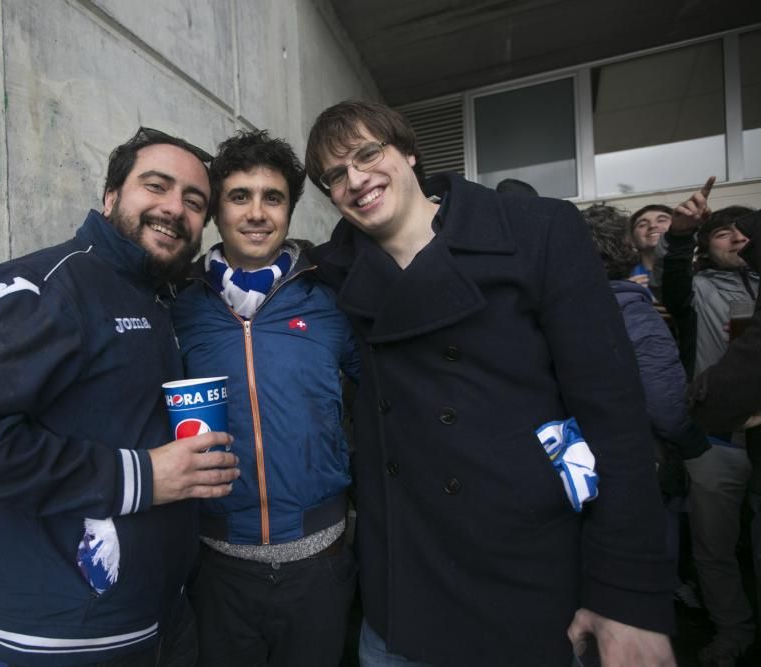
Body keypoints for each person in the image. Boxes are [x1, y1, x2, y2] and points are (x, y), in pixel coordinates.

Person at [303, 99, 675, 667]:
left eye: (367, 154)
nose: (355, 179)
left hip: (525, 591)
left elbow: (615, 422)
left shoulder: (537, 233)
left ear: (408, 152)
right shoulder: (335, 271)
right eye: (334, 175)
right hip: (403, 603)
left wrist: (628, 598)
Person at [0, 127, 241, 667]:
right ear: (111, 196)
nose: (175, 208)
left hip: (163, 624)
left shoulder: (160, 299)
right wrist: (138, 476)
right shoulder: (48, 285)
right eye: (156, 186)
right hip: (58, 647)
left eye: (195, 201)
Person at [171, 129, 361, 666]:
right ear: (215, 211)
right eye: (239, 197)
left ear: (290, 210)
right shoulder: (180, 307)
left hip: (320, 562)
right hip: (216, 566)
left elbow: (381, 399)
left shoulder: (330, 301)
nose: (257, 213)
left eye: (272, 198)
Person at [657, 183, 760, 667]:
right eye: (724, 233)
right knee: (713, 550)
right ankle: (732, 633)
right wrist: (679, 237)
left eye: (745, 233)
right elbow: (673, 279)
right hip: (716, 443)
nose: (737, 240)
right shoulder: (695, 291)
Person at [580, 203, 709, 566]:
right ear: (626, 247)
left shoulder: (557, 309)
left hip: (576, 465)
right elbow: (665, 404)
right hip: (638, 463)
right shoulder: (635, 315)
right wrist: (693, 445)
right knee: (647, 567)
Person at [629, 204, 673, 292]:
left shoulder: (698, 275)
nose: (652, 226)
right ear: (632, 240)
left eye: (661, 220)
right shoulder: (621, 278)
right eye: (642, 225)